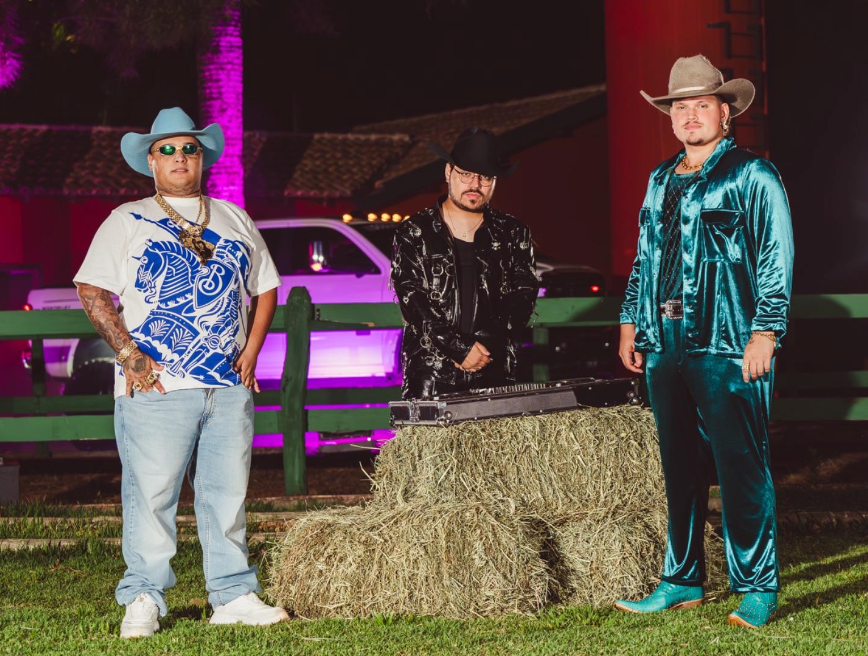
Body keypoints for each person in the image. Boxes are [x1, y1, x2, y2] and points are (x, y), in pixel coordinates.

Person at [74, 107, 287, 638]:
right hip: (158, 387)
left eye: (188, 148)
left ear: (202, 157)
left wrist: (252, 350)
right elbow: (91, 289)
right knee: (151, 496)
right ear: (151, 161)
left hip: (227, 386)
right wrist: (131, 356)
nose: (178, 156)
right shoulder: (127, 219)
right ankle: (144, 597)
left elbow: (265, 287)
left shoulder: (234, 218)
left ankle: (232, 595)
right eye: (166, 149)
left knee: (227, 495)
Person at [614, 56, 794, 628]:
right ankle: (682, 579)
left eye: (701, 105)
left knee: (742, 466)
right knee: (680, 467)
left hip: (729, 341)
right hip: (664, 341)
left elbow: (776, 257)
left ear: (725, 112)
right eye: (680, 107)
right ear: (670, 117)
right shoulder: (659, 179)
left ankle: (757, 586)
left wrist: (766, 330)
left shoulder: (753, 175)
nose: (690, 116)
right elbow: (645, 257)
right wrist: (630, 320)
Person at [391, 127, 540, 400]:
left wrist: (482, 345)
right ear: (449, 172)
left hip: (493, 368)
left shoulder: (513, 233)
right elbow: (412, 297)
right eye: (466, 174)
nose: (475, 184)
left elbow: (524, 295)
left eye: (485, 177)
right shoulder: (414, 232)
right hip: (431, 375)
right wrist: (458, 348)